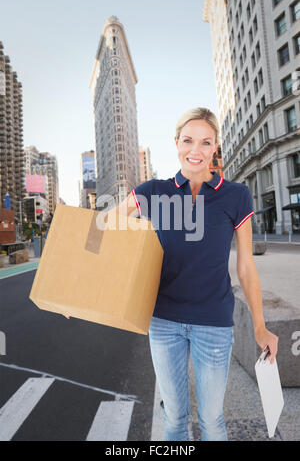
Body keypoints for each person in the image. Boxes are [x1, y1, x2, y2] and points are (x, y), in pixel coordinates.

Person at [65, 107, 279, 441]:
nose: (196, 150)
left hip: (214, 323)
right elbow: (100, 229)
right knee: (175, 419)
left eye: (206, 143)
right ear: (176, 143)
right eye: (188, 140)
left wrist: (260, 326)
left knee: (212, 420)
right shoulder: (153, 191)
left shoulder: (236, 196)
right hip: (164, 322)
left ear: (215, 148)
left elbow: (246, 266)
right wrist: (72, 289)